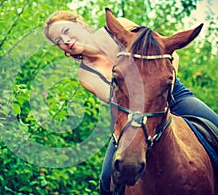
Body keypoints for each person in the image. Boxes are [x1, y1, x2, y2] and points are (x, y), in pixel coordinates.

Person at [44, 10, 218, 195]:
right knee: (106, 179)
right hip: (130, 115)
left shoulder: (119, 27)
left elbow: (170, 54)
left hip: (172, 95)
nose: (65, 40)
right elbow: (119, 100)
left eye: (66, 30)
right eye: (58, 40)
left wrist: (163, 92)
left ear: (79, 24)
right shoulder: (85, 75)